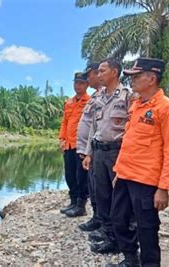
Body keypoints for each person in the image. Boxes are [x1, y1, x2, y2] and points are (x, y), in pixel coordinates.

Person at [106, 58, 169, 267]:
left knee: (147, 228)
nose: (132, 80)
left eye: (137, 76)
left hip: (147, 181)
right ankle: (131, 259)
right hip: (125, 175)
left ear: (152, 78)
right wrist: (118, 172)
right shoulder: (136, 105)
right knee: (118, 218)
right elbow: (129, 143)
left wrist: (164, 188)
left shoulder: (167, 108)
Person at [82, 58, 131, 253]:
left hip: (117, 152)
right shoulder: (98, 98)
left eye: (102, 71)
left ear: (115, 72)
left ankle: (123, 240)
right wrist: (88, 153)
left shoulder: (127, 97)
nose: (98, 74)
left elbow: (132, 130)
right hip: (99, 152)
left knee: (119, 199)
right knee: (102, 196)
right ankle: (109, 235)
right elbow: (94, 127)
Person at [58, 72, 91, 217]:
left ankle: (81, 205)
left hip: (82, 145)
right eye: (76, 83)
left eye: (81, 83)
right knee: (69, 174)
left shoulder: (90, 101)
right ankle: (72, 201)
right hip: (69, 145)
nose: (78, 86)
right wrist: (62, 139)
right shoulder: (69, 102)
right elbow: (65, 122)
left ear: (87, 85)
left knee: (81, 176)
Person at [76, 62, 103, 231]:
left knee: (101, 190)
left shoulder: (112, 97)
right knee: (93, 187)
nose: (88, 78)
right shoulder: (96, 96)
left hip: (101, 150)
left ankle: (104, 226)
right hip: (90, 150)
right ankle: (97, 218)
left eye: (90, 75)